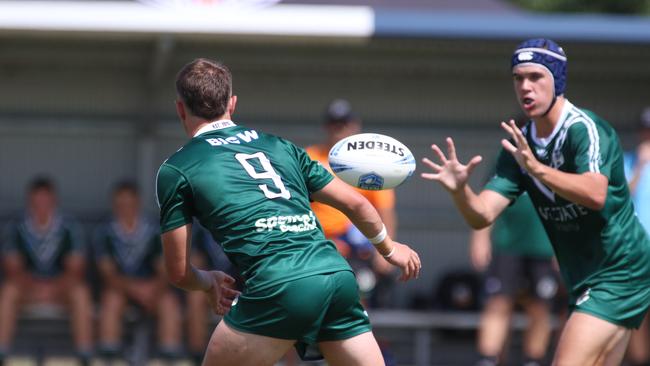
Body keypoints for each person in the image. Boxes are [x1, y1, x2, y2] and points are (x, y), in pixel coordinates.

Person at [156, 58, 421, 366]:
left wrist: (208, 281)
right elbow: (358, 203)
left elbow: (177, 272)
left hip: (276, 284)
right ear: (232, 104)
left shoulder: (177, 168)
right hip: (335, 277)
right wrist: (390, 249)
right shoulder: (282, 146)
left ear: (179, 109)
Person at [421, 38, 650, 365]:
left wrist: (538, 169)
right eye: (518, 78)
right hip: (584, 276)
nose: (525, 87)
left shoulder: (584, 129)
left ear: (557, 79)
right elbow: (482, 214)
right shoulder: (520, 147)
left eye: (535, 77)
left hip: (620, 270)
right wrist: (461, 191)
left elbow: (595, 193)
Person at [305, 99, 396, 307]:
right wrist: (322, 241)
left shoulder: (369, 163)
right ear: (325, 126)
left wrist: (386, 250)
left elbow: (385, 211)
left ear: (356, 126)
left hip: (357, 249)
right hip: (317, 245)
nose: (339, 129)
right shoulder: (309, 157)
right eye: (334, 123)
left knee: (357, 298)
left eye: (344, 123)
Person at [0, 177, 93, 364]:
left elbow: (76, 270)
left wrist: (51, 288)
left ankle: (85, 354)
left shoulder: (69, 227)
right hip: (28, 290)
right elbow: (12, 269)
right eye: (36, 201)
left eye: (45, 200)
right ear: (29, 201)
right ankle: (2, 351)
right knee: (8, 291)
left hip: (60, 290)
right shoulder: (16, 227)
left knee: (81, 292)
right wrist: (38, 288)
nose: (41, 205)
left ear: (54, 201)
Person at [93, 181, 183, 360]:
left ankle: (169, 355)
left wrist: (152, 290)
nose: (125, 209)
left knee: (169, 302)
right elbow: (108, 275)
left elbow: (164, 271)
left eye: (129, 204)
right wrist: (136, 289)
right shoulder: (104, 232)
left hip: (152, 290)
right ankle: (109, 355)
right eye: (120, 204)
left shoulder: (154, 230)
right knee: (111, 300)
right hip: (120, 290)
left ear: (138, 203)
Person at [471, 191, 558, 366]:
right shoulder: (506, 162)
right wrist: (480, 237)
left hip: (544, 247)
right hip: (507, 244)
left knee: (540, 307)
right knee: (498, 302)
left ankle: (533, 361)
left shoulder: (560, 164)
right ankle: (488, 359)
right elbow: (486, 201)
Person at [185, 223, 238, 365]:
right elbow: (195, 263)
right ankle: (197, 357)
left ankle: (231, 355)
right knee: (194, 297)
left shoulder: (242, 224)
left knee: (230, 293)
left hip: (239, 285)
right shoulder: (201, 230)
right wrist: (211, 283)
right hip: (209, 283)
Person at [624, 108, 650, 366]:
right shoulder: (628, 161)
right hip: (636, 249)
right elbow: (616, 201)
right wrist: (640, 166)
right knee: (638, 313)